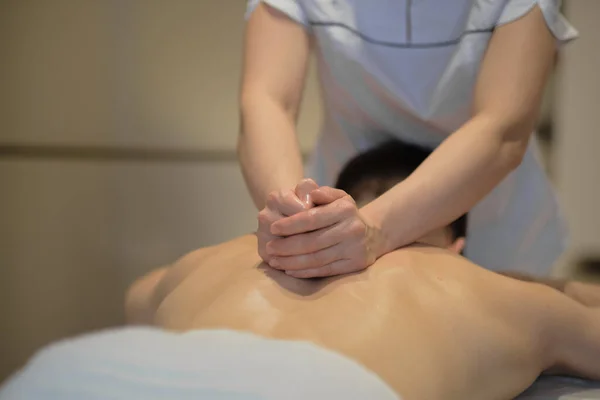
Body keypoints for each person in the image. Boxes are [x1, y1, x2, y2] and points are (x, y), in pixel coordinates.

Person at [2, 141, 600, 400]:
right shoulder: (473, 286)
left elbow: (137, 299)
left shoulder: (220, 258)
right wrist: (529, 286)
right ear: (456, 244)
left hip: (84, 379)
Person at [238, 0, 579, 278]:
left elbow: (502, 128)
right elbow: (268, 101)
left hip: (489, 209)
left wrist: (374, 229)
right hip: (342, 210)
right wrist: (293, 221)